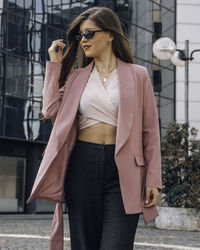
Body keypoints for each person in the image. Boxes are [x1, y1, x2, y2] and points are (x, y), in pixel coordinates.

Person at [27, 6, 162, 250]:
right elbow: (50, 111)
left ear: (110, 34)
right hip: (82, 165)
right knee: (84, 244)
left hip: (124, 170)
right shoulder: (76, 77)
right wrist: (54, 65)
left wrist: (153, 178)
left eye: (89, 33)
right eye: (80, 36)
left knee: (116, 244)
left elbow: (150, 130)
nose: (83, 40)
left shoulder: (138, 75)